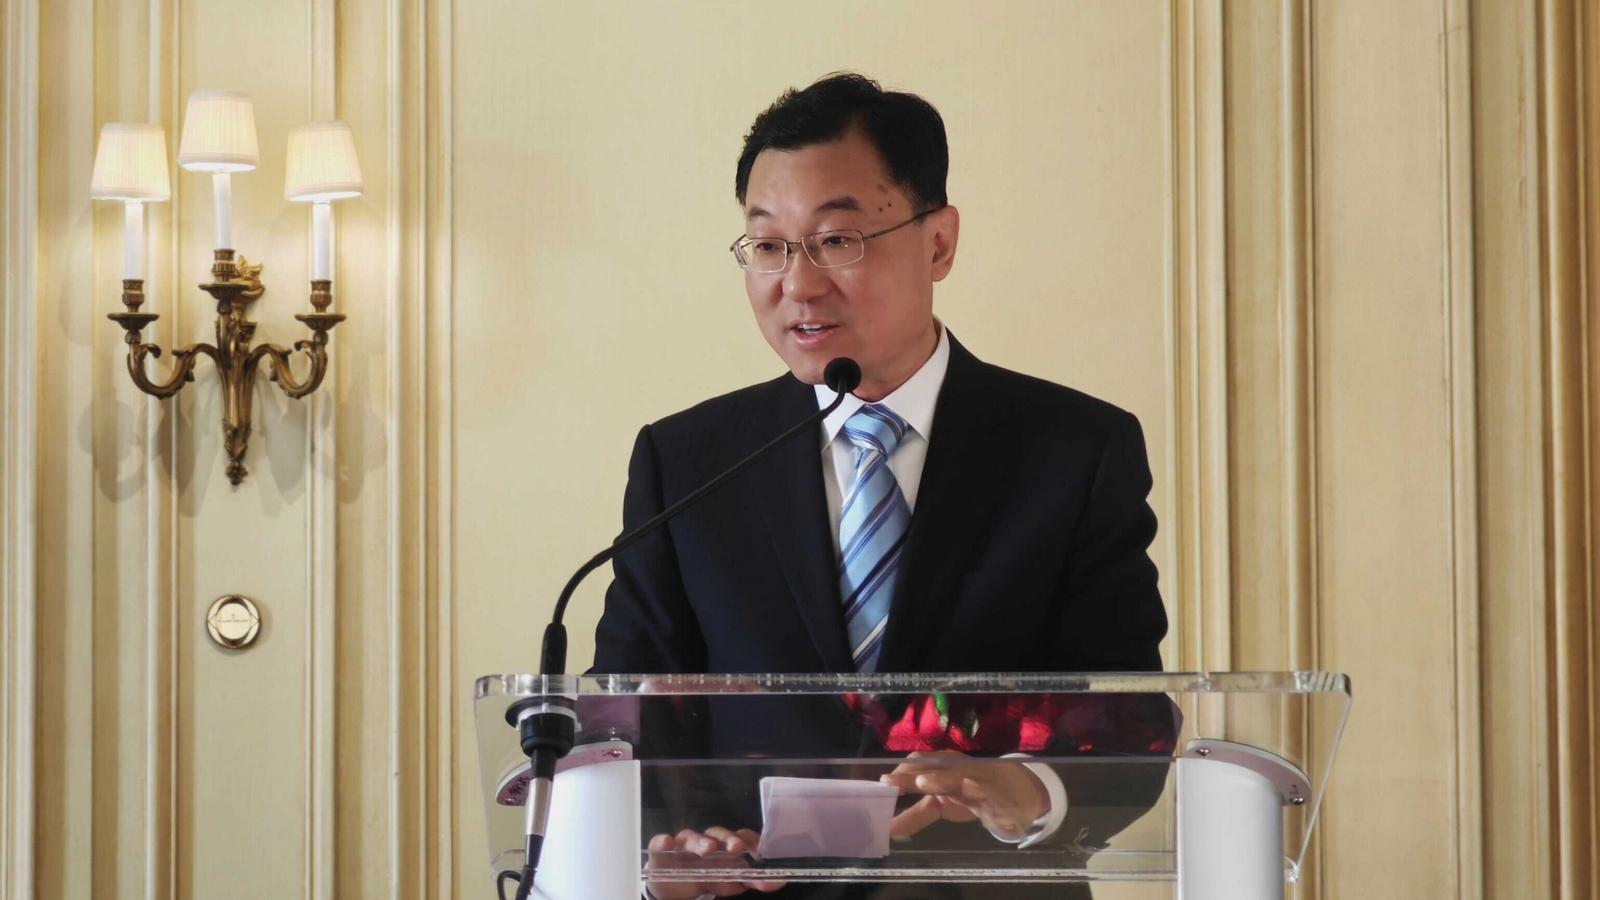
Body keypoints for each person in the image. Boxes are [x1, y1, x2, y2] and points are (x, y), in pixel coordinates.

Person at [590, 73, 1170, 900]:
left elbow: (1126, 712)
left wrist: (1028, 788)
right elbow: (628, 717)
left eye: (837, 240)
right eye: (768, 245)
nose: (798, 284)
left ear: (939, 243)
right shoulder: (687, 461)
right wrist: (669, 851)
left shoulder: (1074, 450)